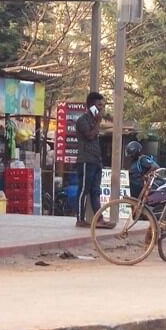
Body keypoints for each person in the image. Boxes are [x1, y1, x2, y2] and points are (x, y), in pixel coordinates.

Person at [74, 92, 111, 228]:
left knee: (96, 190)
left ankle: (99, 218)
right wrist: (98, 122)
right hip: (86, 160)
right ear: (91, 106)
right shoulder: (82, 120)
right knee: (84, 189)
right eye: (99, 106)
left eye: (103, 106)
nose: (101, 109)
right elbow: (89, 136)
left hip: (96, 160)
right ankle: (80, 218)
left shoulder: (95, 120)